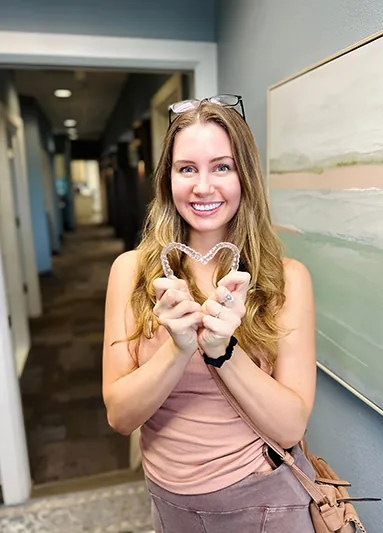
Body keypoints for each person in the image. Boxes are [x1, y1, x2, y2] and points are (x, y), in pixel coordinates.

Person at [102, 94, 316, 532]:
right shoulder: (131, 272)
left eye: (222, 166)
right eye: (187, 169)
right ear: (168, 179)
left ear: (245, 178)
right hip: (169, 502)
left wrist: (222, 351)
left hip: (263, 503)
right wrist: (178, 349)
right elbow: (120, 417)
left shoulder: (286, 279)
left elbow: (290, 427)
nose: (203, 186)